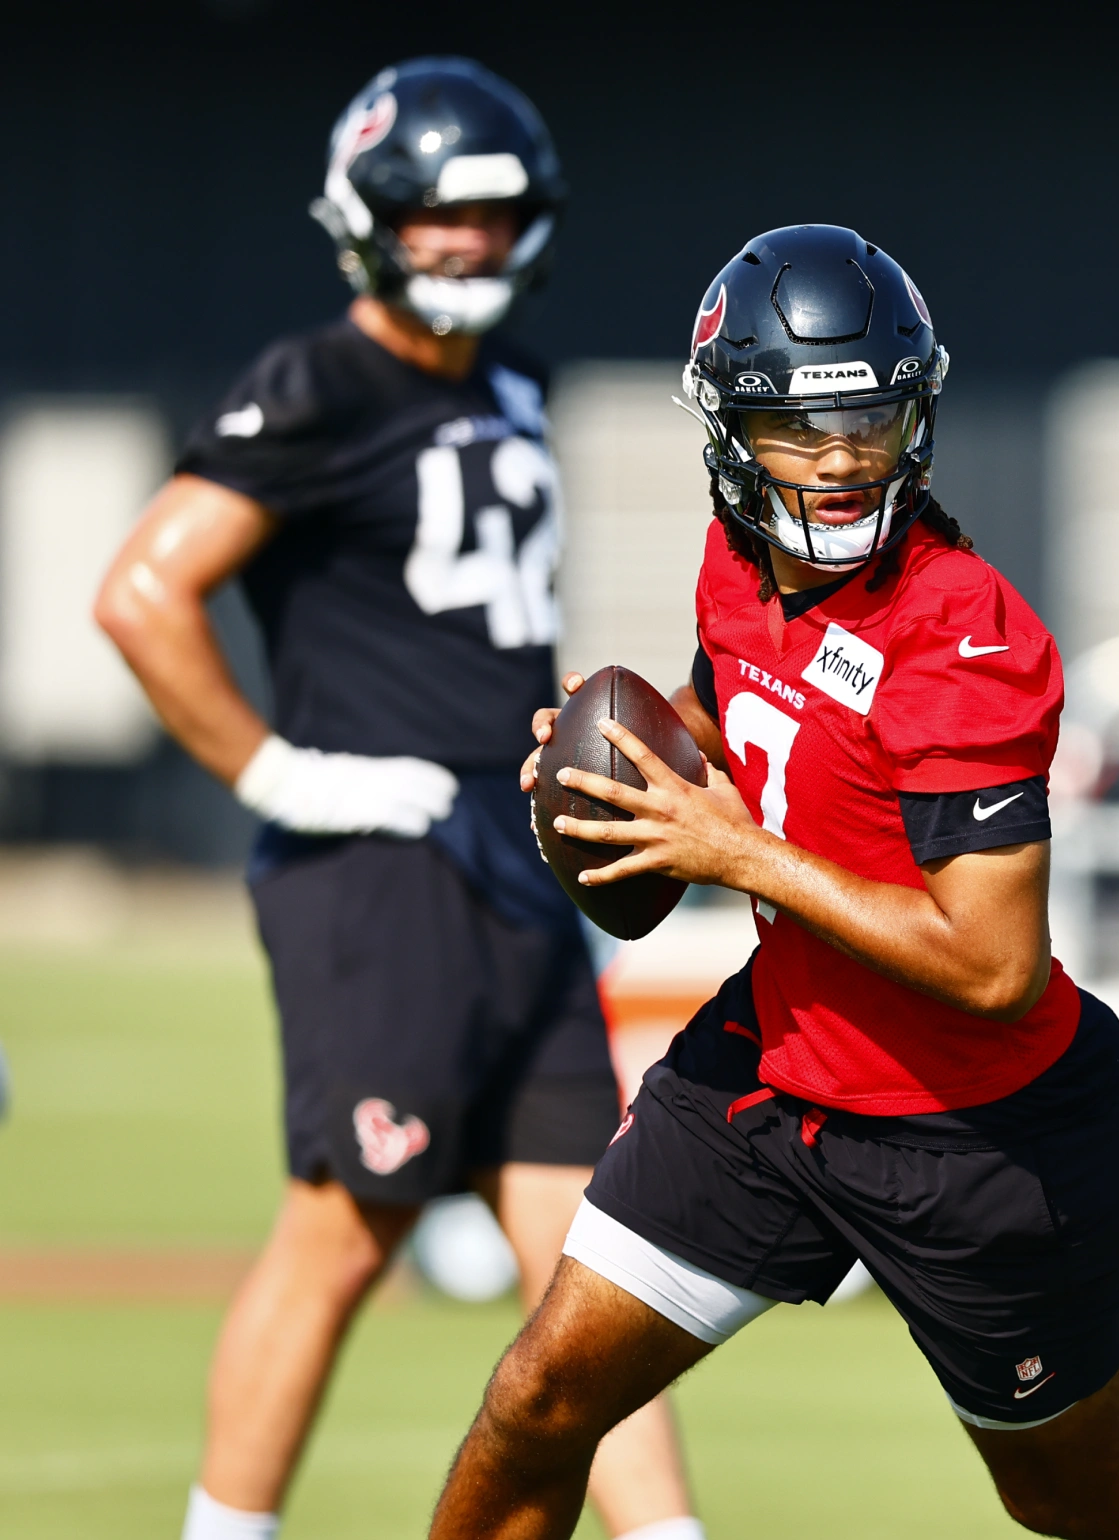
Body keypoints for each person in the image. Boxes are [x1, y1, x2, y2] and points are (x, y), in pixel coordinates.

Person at [427, 225, 1119, 1540]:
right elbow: (735, 708)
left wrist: (734, 854)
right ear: (730, 432)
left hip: (979, 1135)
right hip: (777, 1074)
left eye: (870, 422)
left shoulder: (961, 635)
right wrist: (626, 766)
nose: (840, 463)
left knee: (1073, 1489)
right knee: (538, 1398)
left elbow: (992, 965)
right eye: (800, 430)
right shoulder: (737, 564)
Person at [95, 56, 698, 1540]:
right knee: (344, 1232)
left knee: (596, 1264)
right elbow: (141, 592)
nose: (466, 241)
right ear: (369, 218)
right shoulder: (316, 382)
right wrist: (280, 771)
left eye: (489, 214)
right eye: (436, 213)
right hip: (379, 861)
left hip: (518, 857)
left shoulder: (514, 382)